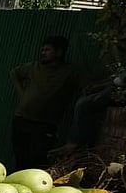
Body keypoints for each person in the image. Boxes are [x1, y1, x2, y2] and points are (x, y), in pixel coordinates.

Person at [9, 35, 90, 169]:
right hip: (22, 119)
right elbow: (14, 73)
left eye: (47, 50)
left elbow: (89, 85)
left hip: (45, 125)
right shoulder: (34, 67)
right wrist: (22, 94)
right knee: (20, 158)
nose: (43, 53)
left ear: (59, 52)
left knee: (38, 161)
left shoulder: (70, 72)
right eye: (43, 50)